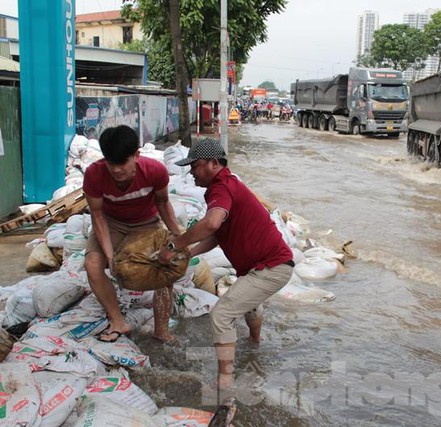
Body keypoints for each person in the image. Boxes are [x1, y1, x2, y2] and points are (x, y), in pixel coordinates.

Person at [158, 137, 293, 388]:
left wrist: (174, 244)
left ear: (212, 163)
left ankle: (225, 382)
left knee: (221, 315)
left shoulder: (222, 187)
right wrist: (190, 253)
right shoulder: (226, 184)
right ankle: (254, 344)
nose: (191, 172)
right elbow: (217, 235)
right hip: (265, 265)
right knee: (248, 302)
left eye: (195, 166)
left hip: (271, 267)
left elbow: (210, 223)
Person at [83, 125, 182, 343]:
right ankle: (118, 320)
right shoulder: (93, 174)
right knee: (92, 264)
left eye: (122, 163)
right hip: (112, 223)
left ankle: (162, 329)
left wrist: (179, 237)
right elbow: (97, 216)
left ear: (136, 155)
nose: (116, 170)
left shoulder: (155, 170)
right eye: (110, 163)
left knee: (165, 266)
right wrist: (110, 257)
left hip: (147, 223)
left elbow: (163, 203)